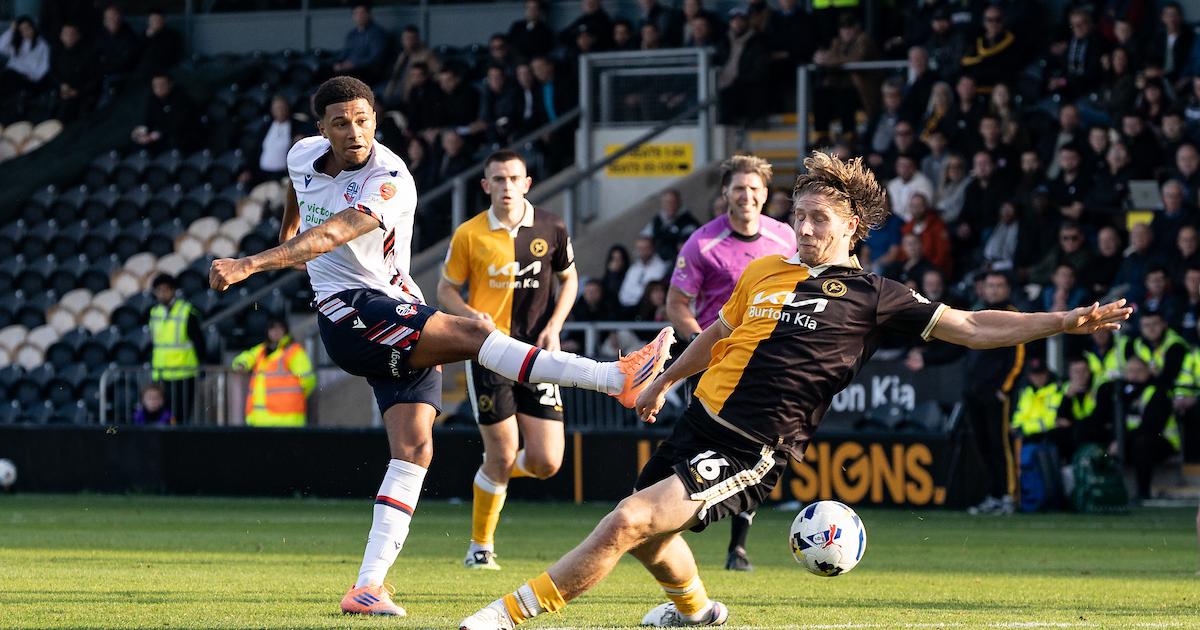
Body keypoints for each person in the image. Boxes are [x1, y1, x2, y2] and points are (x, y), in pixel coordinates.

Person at [459, 151, 1131, 630]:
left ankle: (504, 616)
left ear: (852, 229)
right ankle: (698, 613)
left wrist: (1063, 321)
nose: (804, 228)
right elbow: (717, 334)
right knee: (651, 539)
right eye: (800, 215)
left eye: (819, 220)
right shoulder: (766, 271)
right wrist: (664, 381)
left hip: (753, 446)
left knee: (627, 522)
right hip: (699, 422)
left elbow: (975, 325)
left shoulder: (876, 295)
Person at [207, 76, 673, 618]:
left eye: (363, 120)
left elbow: (334, 232)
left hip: (391, 306)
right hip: (348, 312)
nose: (354, 132)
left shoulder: (389, 177)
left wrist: (251, 264)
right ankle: (615, 378)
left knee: (414, 450)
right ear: (322, 129)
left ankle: (367, 586)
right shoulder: (302, 154)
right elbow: (300, 194)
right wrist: (287, 242)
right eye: (341, 123)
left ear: (376, 120)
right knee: (474, 336)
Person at [437, 150, 578, 571]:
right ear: (486, 186)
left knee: (547, 463)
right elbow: (445, 290)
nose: (506, 186)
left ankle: (490, 475)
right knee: (502, 453)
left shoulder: (552, 227)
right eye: (498, 179)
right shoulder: (469, 233)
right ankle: (480, 547)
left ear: (527, 184)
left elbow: (569, 279)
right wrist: (470, 315)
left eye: (514, 178)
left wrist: (555, 325)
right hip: (489, 354)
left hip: (538, 355)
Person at [666, 154, 793, 572]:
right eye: (739, 188)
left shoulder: (786, 239)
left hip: (765, 362)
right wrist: (700, 342)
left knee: (757, 446)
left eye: (754, 188)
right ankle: (669, 523)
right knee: (699, 448)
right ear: (725, 193)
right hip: (713, 359)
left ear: (766, 194)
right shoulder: (702, 243)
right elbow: (677, 303)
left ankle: (738, 548)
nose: (747, 196)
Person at [964, 271, 1026, 516]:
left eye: (999, 285)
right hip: (974, 391)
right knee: (983, 446)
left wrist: (1004, 388)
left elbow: (1017, 357)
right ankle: (993, 494)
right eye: (990, 285)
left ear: (1007, 289)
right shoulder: (977, 312)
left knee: (1001, 445)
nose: (994, 290)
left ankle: (1009, 495)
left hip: (996, 394)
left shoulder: (1012, 314)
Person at [230, 318, 316, 427]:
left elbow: (308, 380)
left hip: (287, 420)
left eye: (279, 328)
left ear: (285, 331)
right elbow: (247, 357)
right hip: (259, 420)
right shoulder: (261, 350)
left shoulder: (293, 351)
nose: (275, 332)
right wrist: (241, 364)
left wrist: (295, 397)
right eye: (272, 328)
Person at [149, 273, 207, 425]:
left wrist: (202, 365)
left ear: (173, 290)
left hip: (184, 373)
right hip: (162, 373)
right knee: (164, 416)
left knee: (181, 416)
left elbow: (199, 342)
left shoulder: (186, 311)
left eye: (165, 290)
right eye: (158, 290)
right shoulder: (155, 312)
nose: (162, 294)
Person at [131, 74, 198, 153]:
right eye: (155, 86)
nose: (158, 88)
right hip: (160, 134)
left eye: (162, 85)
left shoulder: (181, 97)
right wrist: (142, 130)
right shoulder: (152, 99)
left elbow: (180, 122)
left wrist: (158, 134)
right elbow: (148, 119)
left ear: (170, 85)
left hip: (181, 135)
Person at [332, 3, 390, 84]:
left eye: (362, 13)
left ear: (369, 14)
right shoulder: (352, 34)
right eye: (356, 13)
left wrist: (353, 64)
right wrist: (339, 63)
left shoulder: (377, 33)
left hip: (366, 71)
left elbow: (375, 58)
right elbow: (344, 53)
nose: (359, 16)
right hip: (347, 69)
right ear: (353, 16)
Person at [641, 189, 700, 262]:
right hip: (657, 261)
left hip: (678, 260)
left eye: (672, 202)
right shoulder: (657, 220)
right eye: (667, 202)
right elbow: (644, 237)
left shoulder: (688, 221)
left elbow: (685, 247)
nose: (670, 205)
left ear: (678, 203)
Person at [619, 237, 669, 312]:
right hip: (628, 308)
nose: (642, 251)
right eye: (640, 248)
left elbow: (649, 292)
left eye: (646, 248)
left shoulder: (660, 267)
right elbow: (623, 294)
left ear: (652, 248)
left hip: (649, 309)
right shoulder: (633, 268)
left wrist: (633, 293)